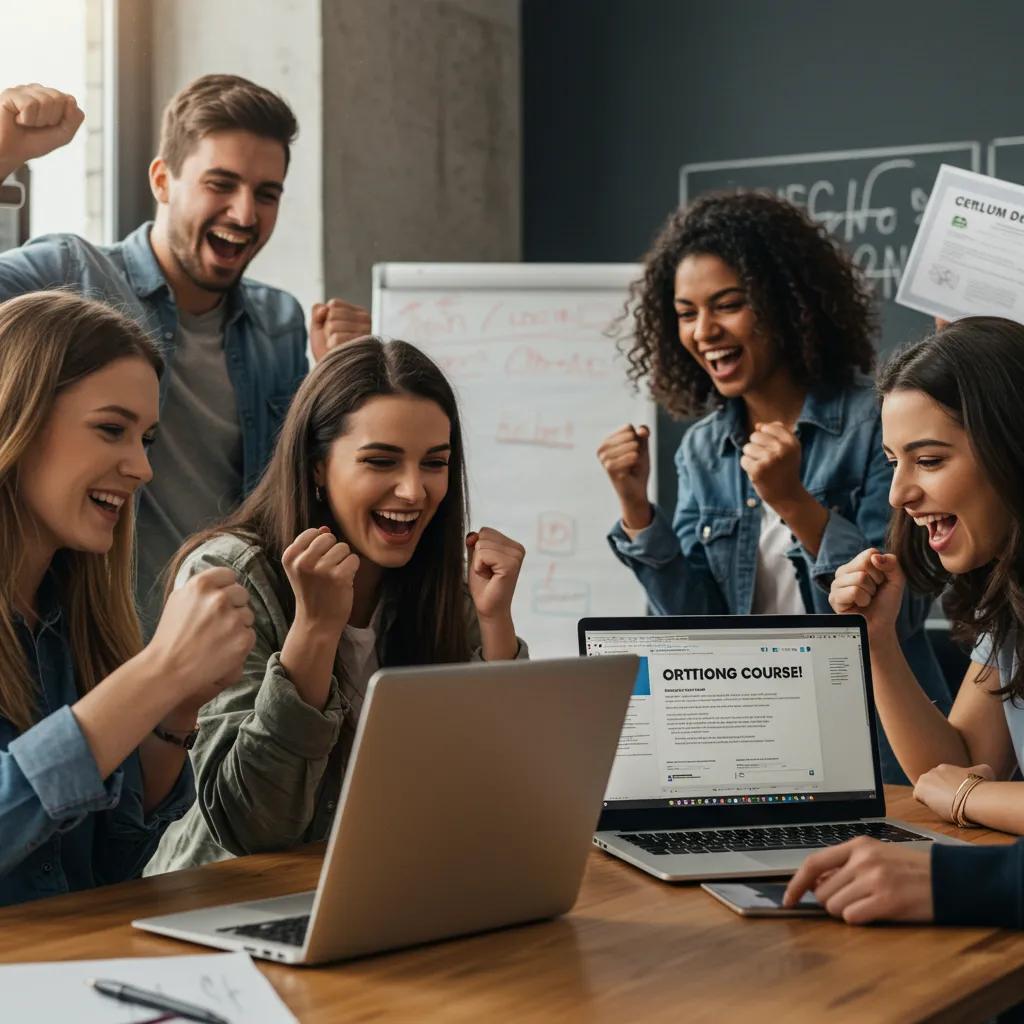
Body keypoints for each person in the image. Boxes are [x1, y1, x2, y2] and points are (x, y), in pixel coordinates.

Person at [596, 191, 950, 783]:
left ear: (787, 304)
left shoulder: (878, 424)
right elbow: (697, 630)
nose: (705, 331)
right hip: (752, 750)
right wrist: (636, 511)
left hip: (884, 751)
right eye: (686, 313)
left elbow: (904, 609)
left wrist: (793, 503)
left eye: (728, 305)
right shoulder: (704, 449)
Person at [0, 79, 370, 630]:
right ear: (162, 180)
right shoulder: (71, 273)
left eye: (266, 193)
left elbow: (292, 496)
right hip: (89, 643)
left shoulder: (279, 323)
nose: (245, 214)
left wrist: (341, 379)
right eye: (221, 184)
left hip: (229, 656)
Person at [146, 336, 527, 872]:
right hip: (226, 900)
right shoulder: (228, 575)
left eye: (434, 463)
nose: (415, 491)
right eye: (381, 461)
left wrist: (495, 627)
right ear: (318, 465)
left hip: (378, 888)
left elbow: (502, 796)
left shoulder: (443, 585)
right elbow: (253, 828)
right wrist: (316, 631)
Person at [0, 291, 255, 907]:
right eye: (112, 430)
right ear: (18, 419)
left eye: (146, 439)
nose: (142, 468)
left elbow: (117, 866)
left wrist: (175, 711)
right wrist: (157, 673)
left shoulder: (76, 620)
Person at [785, 317, 1024, 928]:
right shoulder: (1012, 602)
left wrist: (970, 796)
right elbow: (954, 760)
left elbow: (959, 782)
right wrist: (877, 640)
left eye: (930, 459)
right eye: (894, 461)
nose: (898, 493)